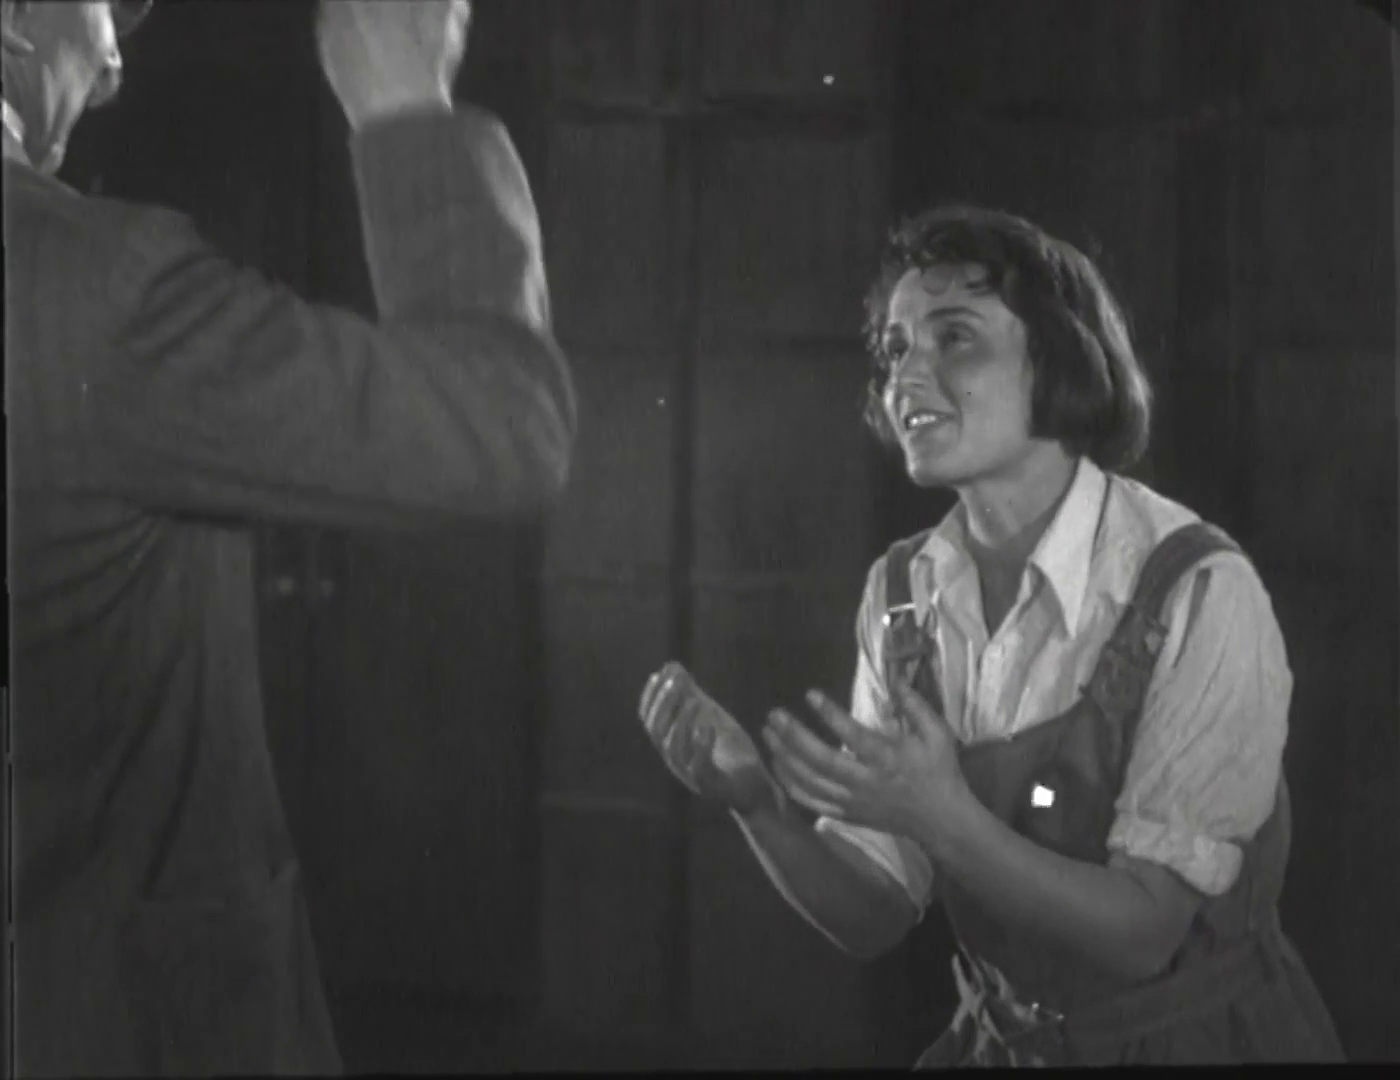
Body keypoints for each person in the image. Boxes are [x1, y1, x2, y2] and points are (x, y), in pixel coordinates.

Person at [4, 0, 575, 1074]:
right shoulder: (97, 290)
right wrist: (403, 106)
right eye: (108, 7)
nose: (117, 56)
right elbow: (500, 427)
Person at [639, 204, 1343, 1066]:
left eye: (955, 338)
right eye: (895, 348)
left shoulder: (1195, 589)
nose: (906, 376)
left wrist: (944, 817)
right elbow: (875, 912)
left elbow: (1144, 935)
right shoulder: (903, 595)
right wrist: (757, 804)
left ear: (1058, 359)